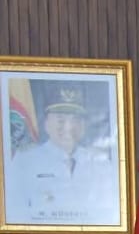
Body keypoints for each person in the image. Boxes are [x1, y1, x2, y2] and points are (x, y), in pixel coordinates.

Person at [4, 82, 118, 226]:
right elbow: (13, 216)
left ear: (83, 125)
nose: (68, 127)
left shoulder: (102, 165)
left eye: (75, 119)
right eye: (60, 119)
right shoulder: (24, 162)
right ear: (46, 123)